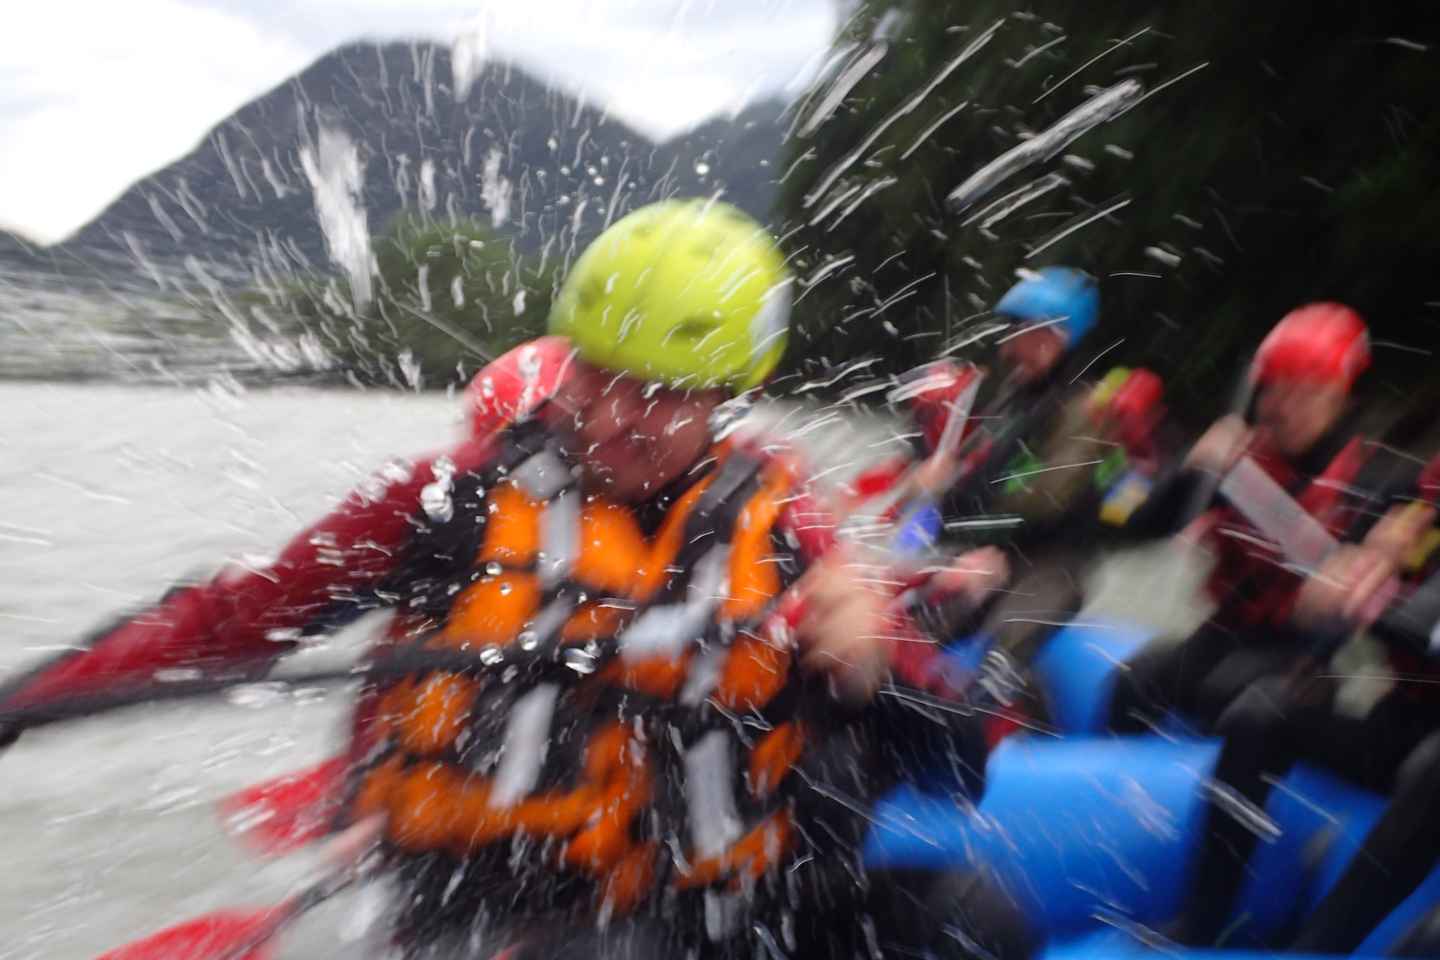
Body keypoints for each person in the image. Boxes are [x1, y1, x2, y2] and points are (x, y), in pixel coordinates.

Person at [0, 200, 1033, 959]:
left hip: (731, 913)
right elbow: (232, 619)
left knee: (975, 913)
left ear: (725, 400)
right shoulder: (441, 504)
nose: (616, 414)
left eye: (661, 394)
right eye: (598, 372)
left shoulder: (789, 523)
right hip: (509, 917)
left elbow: (956, 765)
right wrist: (30, 699)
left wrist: (870, 673)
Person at [1107, 302, 1426, 733]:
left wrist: (1362, 569)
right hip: (1230, 631)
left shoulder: (1378, 478)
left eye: (1305, 392)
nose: (1284, 408)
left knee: (1225, 692)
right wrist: (1189, 470)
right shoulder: (1243, 453)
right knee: (1132, 682)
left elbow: (1375, 586)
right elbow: (1132, 529)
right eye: (1276, 390)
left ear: (1340, 397)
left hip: (1306, 655)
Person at [1167, 455, 1440, 951]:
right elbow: (1324, 608)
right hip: (1405, 724)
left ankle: (1315, 950)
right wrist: (1334, 597)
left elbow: (1417, 624)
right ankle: (1202, 924)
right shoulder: (1416, 506)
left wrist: (1382, 600)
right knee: (1262, 711)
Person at [888, 268, 1170, 727]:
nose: (1008, 348)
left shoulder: (1088, 410)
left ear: (1057, 338)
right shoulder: (1015, 398)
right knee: (910, 626)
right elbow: (978, 479)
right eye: (1011, 333)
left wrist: (975, 533)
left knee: (1005, 649)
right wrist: (940, 491)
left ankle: (996, 714)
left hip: (1051, 564)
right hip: (994, 550)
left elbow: (1046, 502)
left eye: (1022, 333)